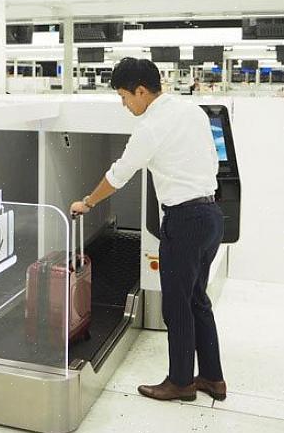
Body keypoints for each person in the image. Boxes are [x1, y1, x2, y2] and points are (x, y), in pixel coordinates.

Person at [69, 58, 227, 402]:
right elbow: (213, 161)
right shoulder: (194, 113)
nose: (125, 105)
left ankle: (181, 382)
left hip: (184, 221)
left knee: (177, 306)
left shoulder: (151, 127)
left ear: (141, 91)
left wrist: (88, 202)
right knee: (198, 299)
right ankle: (213, 378)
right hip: (212, 214)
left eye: (125, 97)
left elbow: (120, 173)